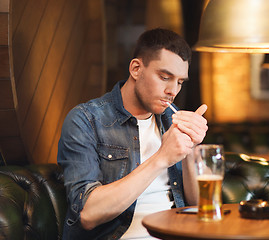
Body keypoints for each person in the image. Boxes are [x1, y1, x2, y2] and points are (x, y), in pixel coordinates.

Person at [57, 28, 208, 240]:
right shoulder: (85, 120)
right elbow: (88, 214)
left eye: (180, 82)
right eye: (165, 77)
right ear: (136, 69)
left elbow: (200, 206)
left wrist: (191, 150)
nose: (173, 91)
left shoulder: (171, 122)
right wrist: (161, 158)